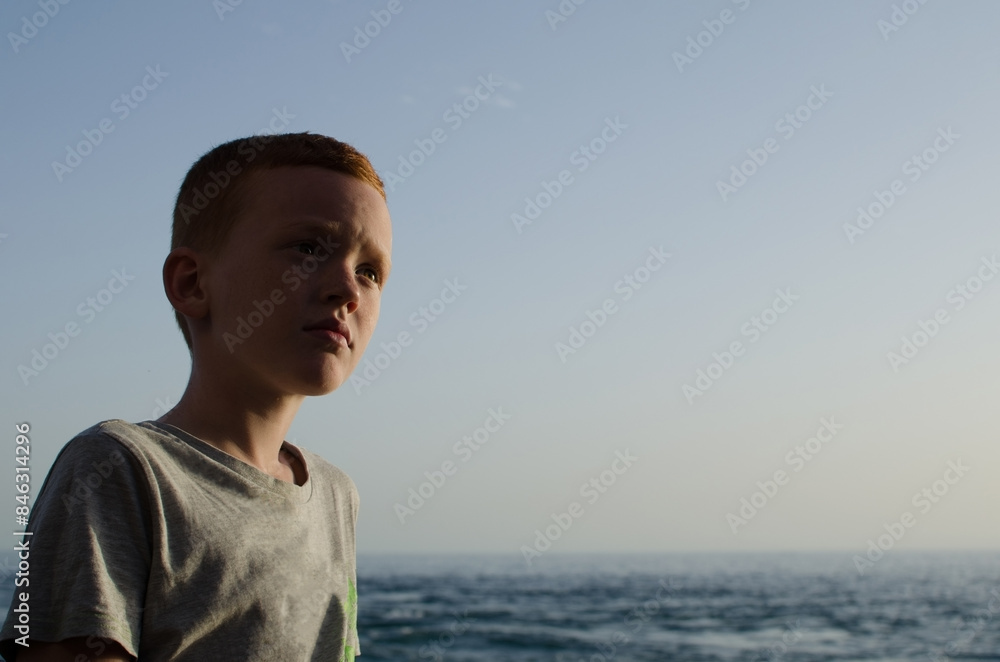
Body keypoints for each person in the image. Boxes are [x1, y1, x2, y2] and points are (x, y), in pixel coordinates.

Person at [0, 132, 393, 661]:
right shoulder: (121, 471)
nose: (348, 289)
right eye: (307, 248)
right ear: (191, 283)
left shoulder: (336, 495)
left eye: (370, 272)